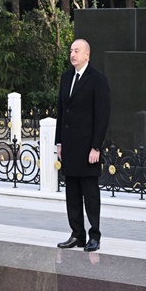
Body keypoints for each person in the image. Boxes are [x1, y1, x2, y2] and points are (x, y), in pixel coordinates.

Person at [55, 39, 110, 252]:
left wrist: (96, 147)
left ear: (87, 55)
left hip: (88, 148)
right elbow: (61, 111)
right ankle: (77, 234)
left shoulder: (97, 79)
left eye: (77, 51)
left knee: (90, 194)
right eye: (71, 51)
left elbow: (102, 116)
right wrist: (59, 142)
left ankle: (94, 235)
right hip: (69, 146)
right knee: (72, 194)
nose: (73, 54)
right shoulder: (66, 77)